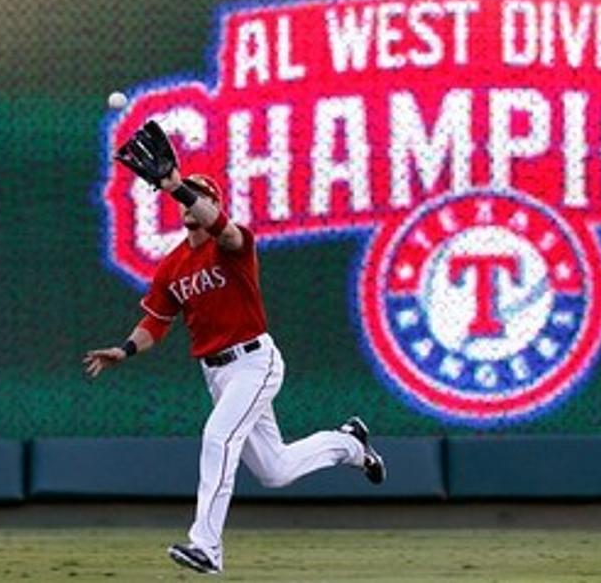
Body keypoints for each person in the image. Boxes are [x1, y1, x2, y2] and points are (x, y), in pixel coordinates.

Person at [83, 166, 385, 576]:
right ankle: (350, 444)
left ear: (214, 207)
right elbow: (156, 323)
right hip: (218, 374)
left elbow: (225, 231)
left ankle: (206, 546)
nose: (192, 200)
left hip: (254, 361)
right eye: (188, 195)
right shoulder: (172, 265)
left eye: (200, 196)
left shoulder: (234, 244)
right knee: (274, 471)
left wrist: (178, 188)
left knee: (218, 436)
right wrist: (125, 349)